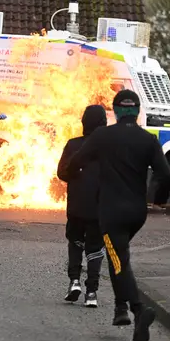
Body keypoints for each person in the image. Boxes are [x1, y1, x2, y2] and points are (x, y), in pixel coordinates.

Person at [67, 89, 170, 341]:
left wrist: (74, 175)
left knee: (118, 261)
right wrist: (159, 199)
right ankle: (121, 309)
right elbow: (166, 175)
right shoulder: (148, 139)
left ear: (116, 111)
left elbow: (77, 161)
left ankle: (138, 309)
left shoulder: (103, 136)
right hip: (137, 213)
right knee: (118, 258)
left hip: (111, 213)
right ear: (137, 112)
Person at [57, 105, 107, 309]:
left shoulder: (73, 145)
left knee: (75, 242)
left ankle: (74, 282)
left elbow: (62, 173)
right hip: (100, 209)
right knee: (95, 249)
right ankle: (92, 293)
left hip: (77, 206)